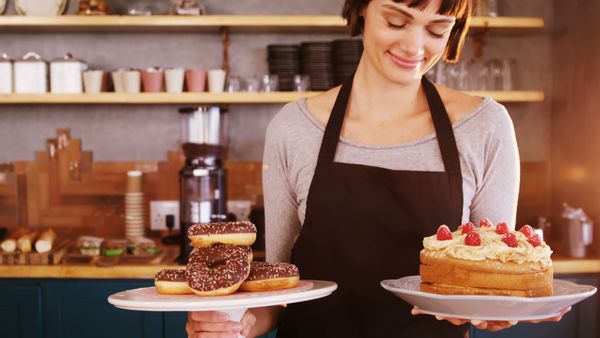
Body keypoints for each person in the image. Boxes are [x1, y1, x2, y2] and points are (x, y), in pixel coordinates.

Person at [186, 0, 569, 337]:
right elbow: (280, 286)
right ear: (363, 10)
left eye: (437, 29)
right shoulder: (295, 127)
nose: (415, 46)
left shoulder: (485, 126)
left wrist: (496, 312)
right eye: (397, 22)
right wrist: (237, 326)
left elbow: (494, 277)